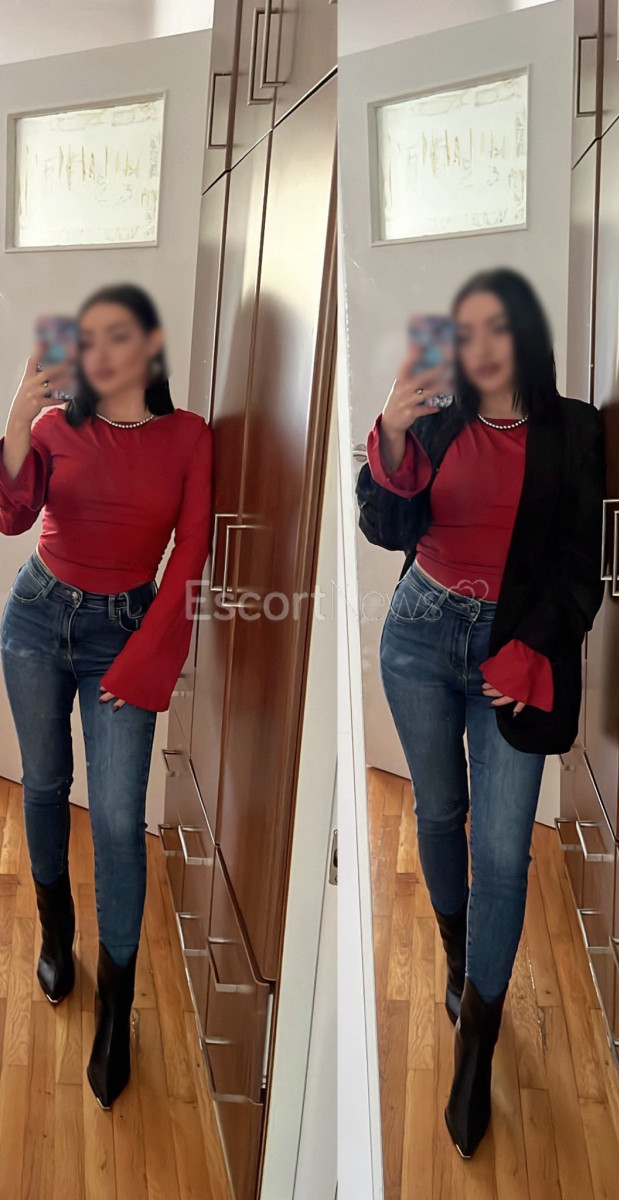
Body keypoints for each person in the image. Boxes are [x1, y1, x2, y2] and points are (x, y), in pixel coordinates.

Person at [360, 267, 606, 1158]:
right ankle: (457, 957)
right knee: (438, 812)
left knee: (502, 854)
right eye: (465, 331)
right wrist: (390, 434)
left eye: (497, 326)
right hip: (419, 636)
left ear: (527, 332)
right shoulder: (431, 419)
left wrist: (530, 649)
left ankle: (477, 1044)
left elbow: (581, 565)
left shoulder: (576, 429)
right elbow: (385, 529)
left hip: (514, 652)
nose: (481, 346)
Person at [0, 283, 214, 1110]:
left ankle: (117, 1008)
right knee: (45, 785)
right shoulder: (58, 428)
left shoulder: (189, 436)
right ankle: (58, 938)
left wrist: (144, 659)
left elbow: (190, 554)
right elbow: (13, 516)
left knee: (120, 819)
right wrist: (18, 421)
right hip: (36, 616)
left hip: (126, 629)